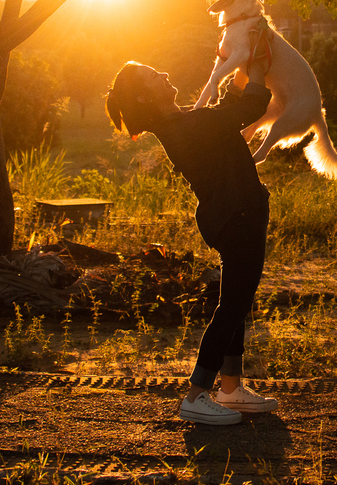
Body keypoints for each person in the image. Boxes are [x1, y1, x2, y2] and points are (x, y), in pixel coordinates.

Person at [105, 55, 279, 425]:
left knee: (236, 301)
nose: (165, 70)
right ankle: (196, 394)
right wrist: (259, 64)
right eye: (154, 74)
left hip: (234, 217)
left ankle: (230, 387)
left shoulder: (184, 121)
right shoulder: (190, 126)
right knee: (233, 305)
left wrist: (242, 60)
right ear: (142, 98)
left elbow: (227, 107)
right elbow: (249, 105)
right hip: (237, 219)